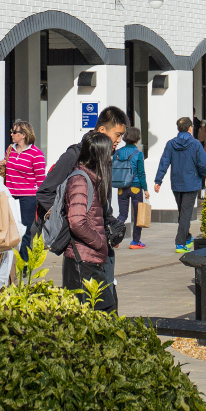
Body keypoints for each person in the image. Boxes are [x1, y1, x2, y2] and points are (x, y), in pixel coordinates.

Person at [35, 107, 128, 215]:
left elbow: (104, 200)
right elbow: (45, 193)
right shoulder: (73, 156)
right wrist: (69, 219)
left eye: (121, 135)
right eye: (117, 135)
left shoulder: (106, 159)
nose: (119, 140)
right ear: (102, 130)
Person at [62, 131, 117, 313]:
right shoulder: (80, 180)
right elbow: (77, 222)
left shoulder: (90, 179)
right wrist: (100, 243)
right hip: (82, 261)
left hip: (89, 259)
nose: (111, 157)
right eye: (108, 152)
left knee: (105, 311)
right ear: (98, 155)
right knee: (101, 314)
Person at [154, 115, 206, 254]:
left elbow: (164, 162)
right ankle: (180, 243)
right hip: (191, 183)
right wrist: (201, 176)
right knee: (185, 213)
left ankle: (187, 236)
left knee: (182, 212)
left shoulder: (170, 144)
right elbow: (203, 163)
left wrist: (158, 180)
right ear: (190, 128)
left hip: (176, 183)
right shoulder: (196, 144)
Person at [1, 120, 45, 251]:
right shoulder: (10, 150)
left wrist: (40, 201)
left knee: (24, 232)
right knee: (9, 231)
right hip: (10, 196)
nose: (12, 134)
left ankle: (24, 266)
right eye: (11, 132)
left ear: (24, 135)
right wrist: (2, 165)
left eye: (15, 132)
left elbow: (41, 180)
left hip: (27, 198)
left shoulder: (36, 154)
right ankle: (11, 266)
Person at [113, 126, 148, 249]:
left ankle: (115, 239)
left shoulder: (117, 153)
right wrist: (146, 189)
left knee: (122, 214)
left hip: (121, 186)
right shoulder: (138, 154)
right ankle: (135, 242)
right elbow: (141, 173)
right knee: (138, 214)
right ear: (137, 139)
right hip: (136, 187)